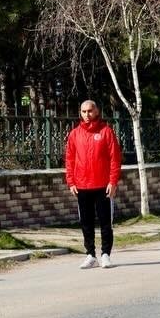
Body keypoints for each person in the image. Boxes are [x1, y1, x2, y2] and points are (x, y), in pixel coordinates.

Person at [64, 100, 122, 269]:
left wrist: (113, 181)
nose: (87, 115)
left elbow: (115, 158)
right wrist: (71, 181)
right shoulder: (75, 134)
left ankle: (105, 254)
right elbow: (69, 159)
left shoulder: (106, 132)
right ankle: (90, 255)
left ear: (97, 111)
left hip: (103, 185)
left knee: (105, 222)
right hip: (82, 186)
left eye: (90, 111)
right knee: (86, 222)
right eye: (84, 111)